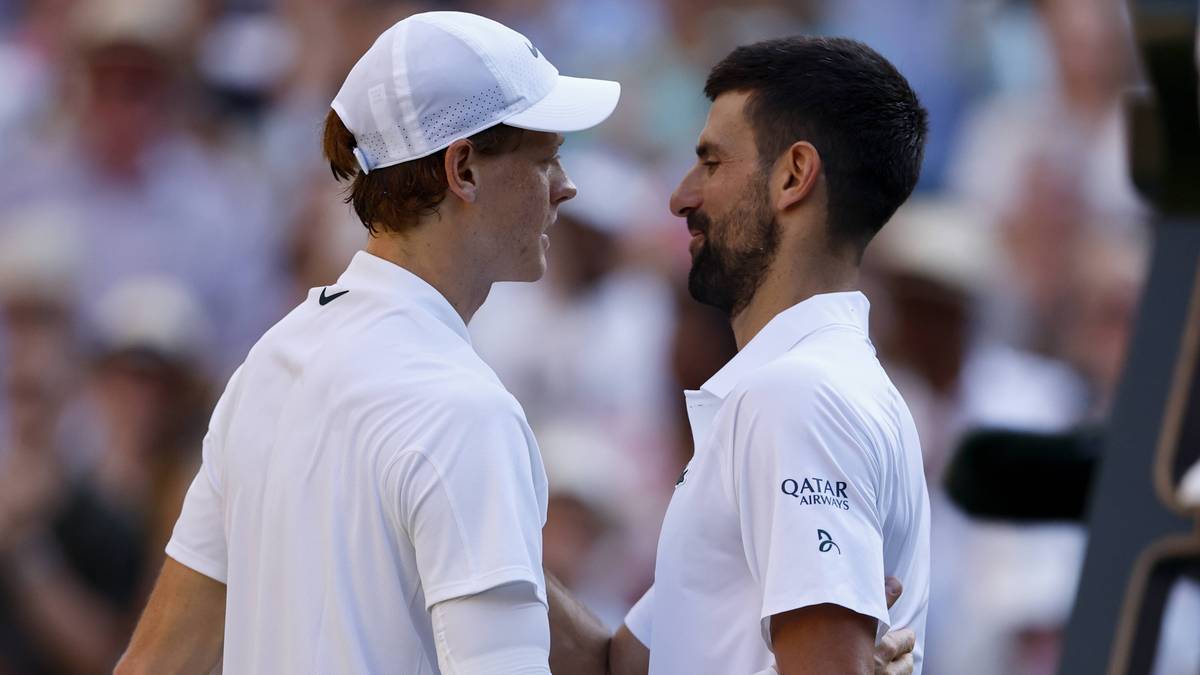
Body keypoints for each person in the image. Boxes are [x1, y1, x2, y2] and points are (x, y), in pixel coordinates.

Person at [116, 11, 619, 674]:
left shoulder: (270, 364)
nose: (565, 186)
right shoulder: (465, 410)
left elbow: (154, 663)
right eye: (545, 158)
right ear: (462, 168)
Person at [549, 36, 931, 675]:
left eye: (711, 162)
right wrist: (468, 534)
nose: (681, 196)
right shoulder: (801, 390)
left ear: (793, 176)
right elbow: (622, 666)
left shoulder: (796, 396)